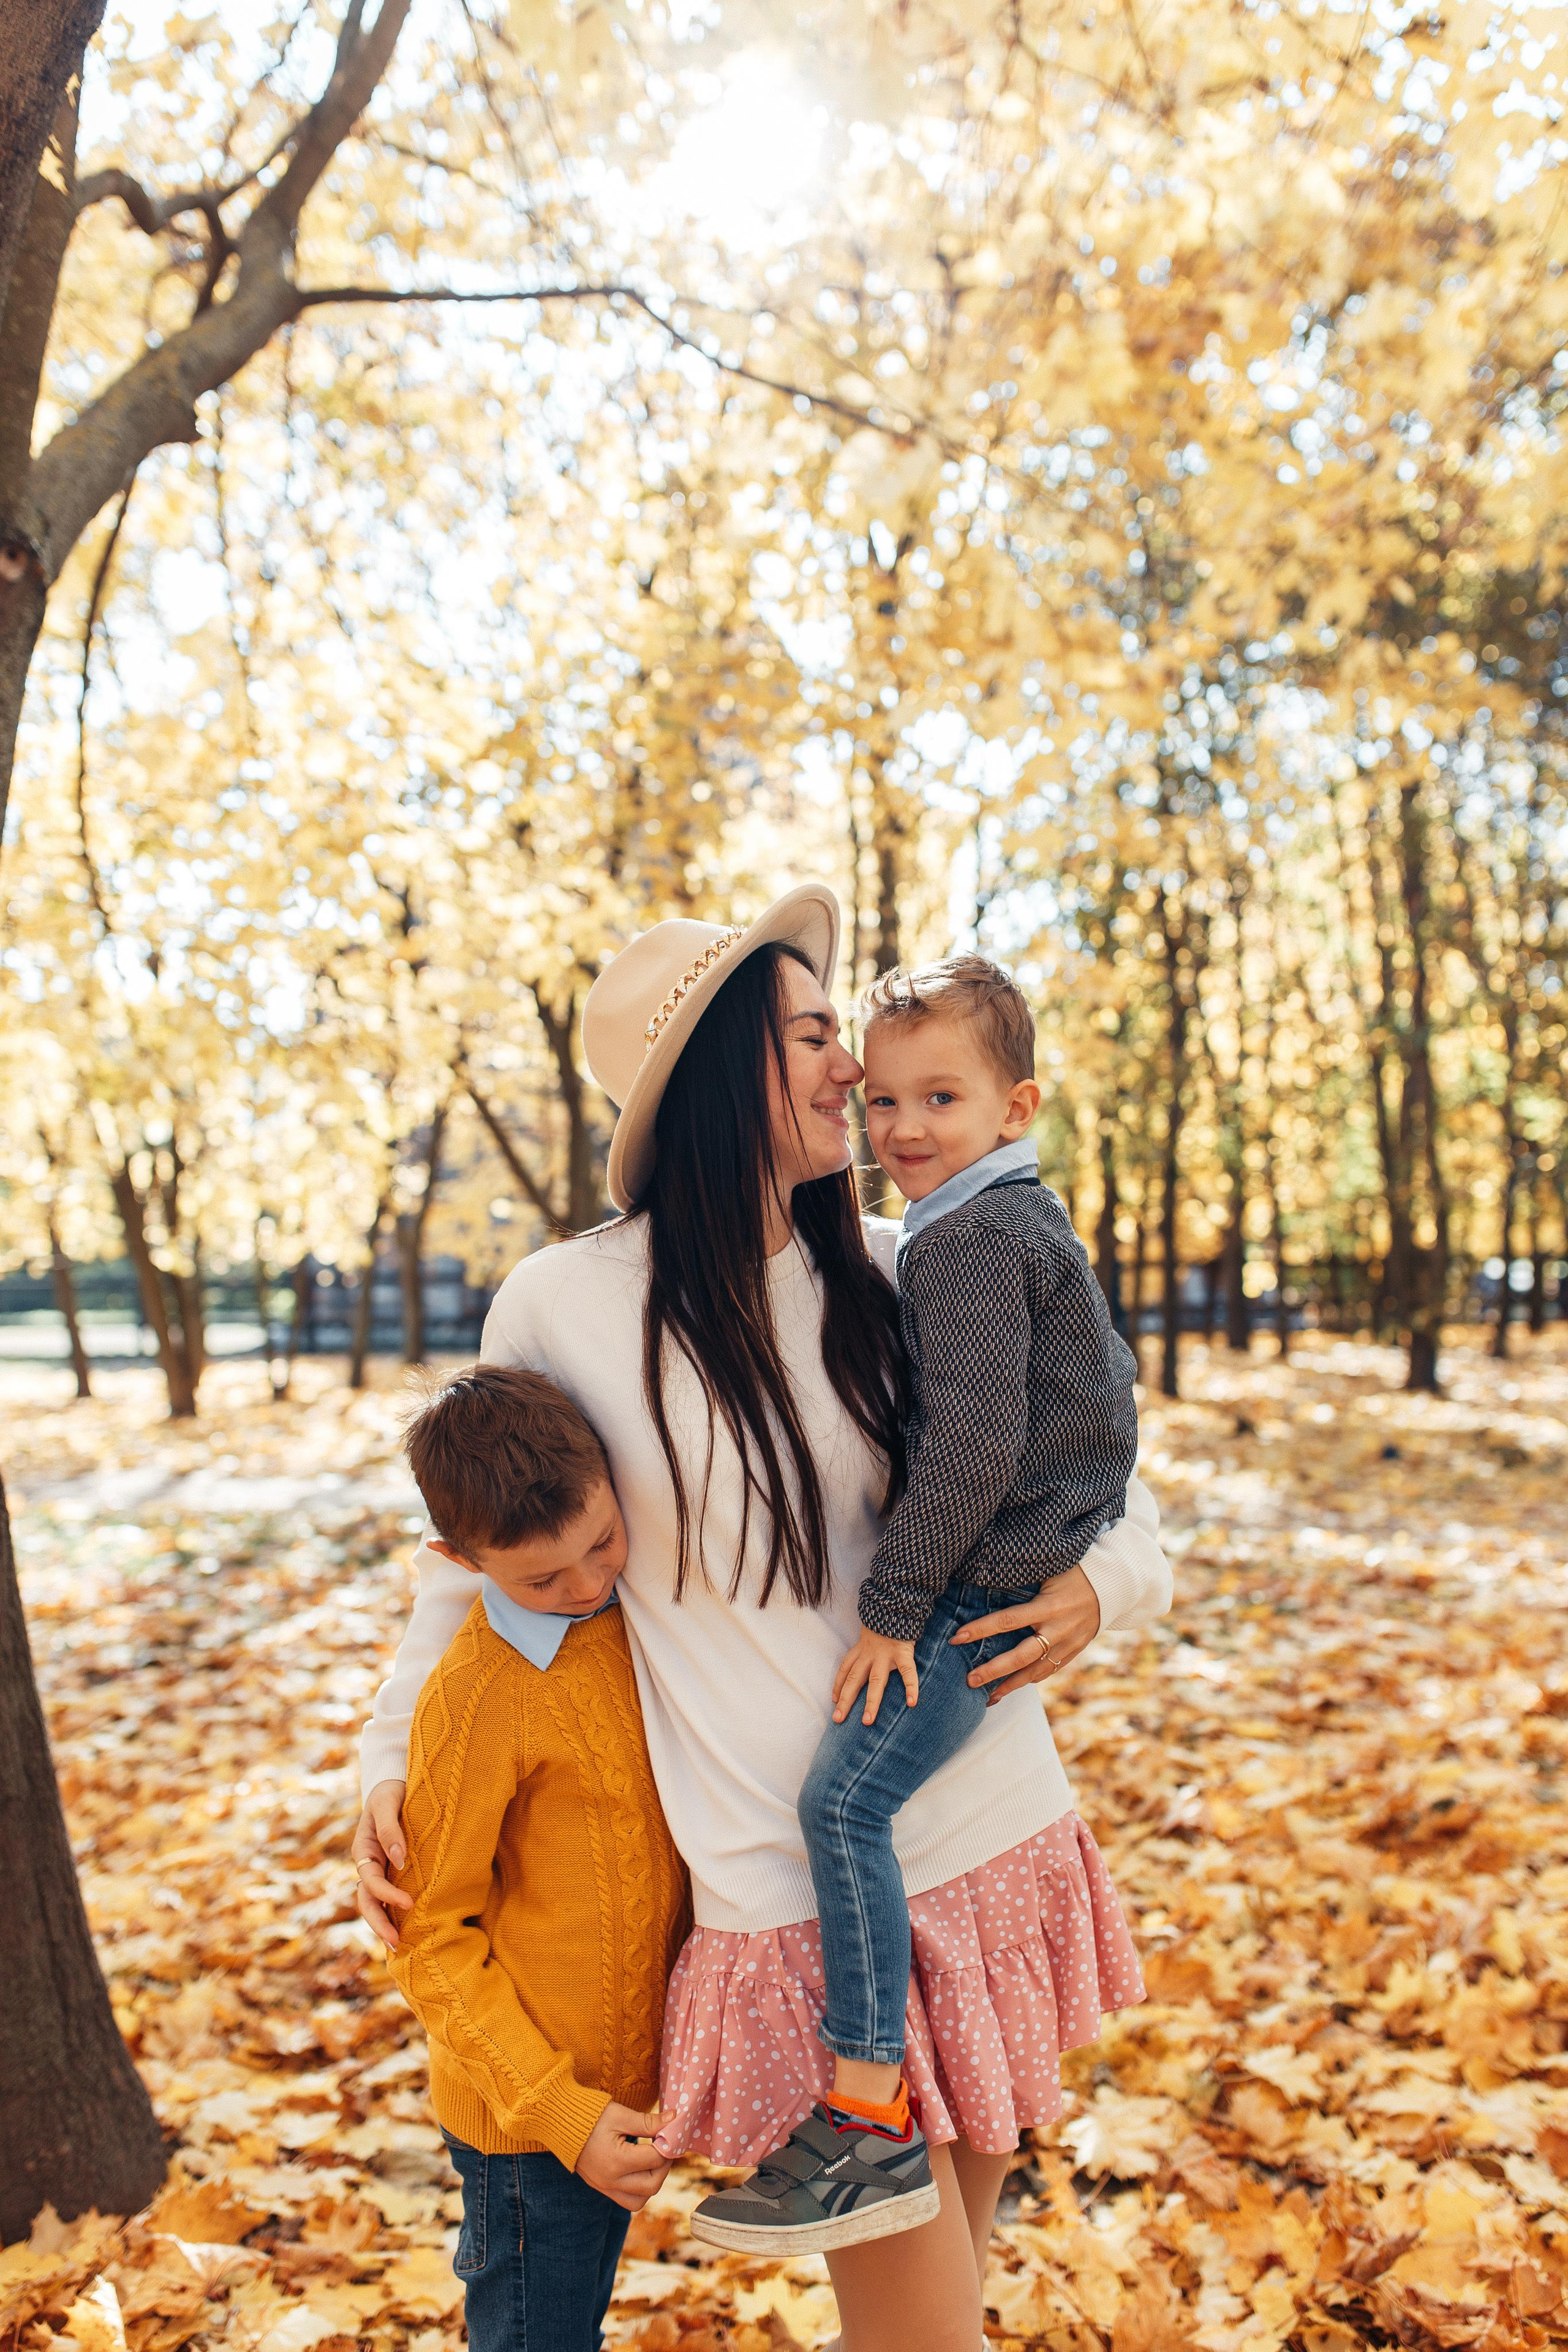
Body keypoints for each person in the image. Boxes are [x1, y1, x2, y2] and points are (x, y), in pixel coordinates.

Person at [353, 882, 1172, 2352]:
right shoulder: (560, 1304)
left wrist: (1106, 1587)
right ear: (727, 1068)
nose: (848, 1068)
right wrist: (382, 1762)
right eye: (809, 1033)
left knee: (929, 2321)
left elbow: (1085, 1439)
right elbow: (471, 1560)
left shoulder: (899, 1256)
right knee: (923, 2333)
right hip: (792, 1898)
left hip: (983, 1828)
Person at [691, 952, 1139, 2253]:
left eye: (936, 1099)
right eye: (881, 1103)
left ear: (1017, 1106)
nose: (897, 1130)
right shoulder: (1009, 1222)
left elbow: (970, 1449)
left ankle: (865, 2098)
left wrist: (900, 1607)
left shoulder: (959, 1245)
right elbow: (1102, 1391)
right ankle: (877, 2100)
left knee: (841, 1800)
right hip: (1007, 1562)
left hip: (975, 1590)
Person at [382, 1364, 690, 2352]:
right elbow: (428, 1936)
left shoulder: (638, 1622)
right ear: (458, 1559)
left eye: (602, 1544)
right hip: (529, 2130)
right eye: (542, 1579)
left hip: (619, 2113)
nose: (588, 1584)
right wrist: (563, 2114)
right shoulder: (479, 1696)